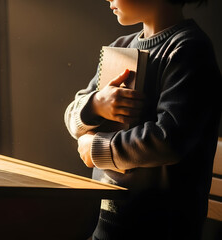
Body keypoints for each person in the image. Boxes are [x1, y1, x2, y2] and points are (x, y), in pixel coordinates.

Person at [64, 0, 221, 239]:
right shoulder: (121, 47)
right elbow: (72, 115)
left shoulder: (188, 50)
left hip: (160, 228)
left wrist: (95, 148)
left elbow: (168, 139)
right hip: (107, 226)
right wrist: (97, 104)